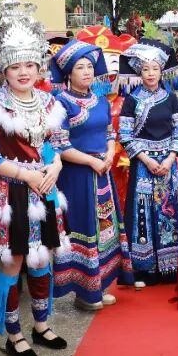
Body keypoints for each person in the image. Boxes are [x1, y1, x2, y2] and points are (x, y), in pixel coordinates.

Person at [0, 0, 69, 356]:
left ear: (39, 65)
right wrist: (28, 174)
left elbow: (59, 145)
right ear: (3, 69)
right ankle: (13, 333)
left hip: (44, 188)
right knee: (13, 262)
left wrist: (55, 167)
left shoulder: (49, 102)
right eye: (15, 66)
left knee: (42, 259)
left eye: (30, 64)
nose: (24, 72)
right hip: (8, 195)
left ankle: (41, 324)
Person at [48, 38, 134, 311]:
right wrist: (91, 162)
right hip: (76, 176)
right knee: (83, 227)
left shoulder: (100, 100)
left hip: (102, 172)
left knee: (105, 228)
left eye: (89, 67)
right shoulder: (60, 103)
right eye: (80, 67)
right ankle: (84, 291)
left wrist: (108, 155)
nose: (87, 72)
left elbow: (109, 132)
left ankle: (101, 284)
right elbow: (59, 146)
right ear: (68, 73)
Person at [119, 42, 178, 286]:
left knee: (170, 211)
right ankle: (144, 268)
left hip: (168, 163)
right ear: (140, 72)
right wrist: (147, 160)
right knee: (143, 213)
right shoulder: (131, 100)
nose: (150, 74)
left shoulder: (171, 98)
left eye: (155, 69)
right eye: (146, 69)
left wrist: (169, 159)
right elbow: (125, 135)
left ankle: (172, 267)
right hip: (142, 164)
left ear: (161, 72)